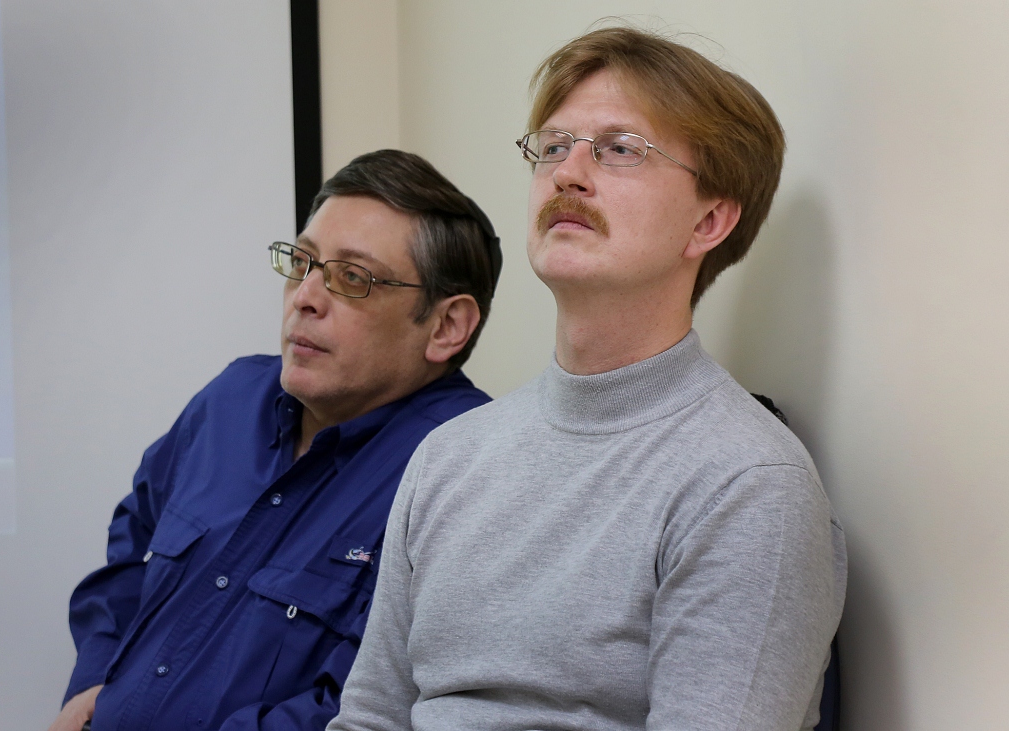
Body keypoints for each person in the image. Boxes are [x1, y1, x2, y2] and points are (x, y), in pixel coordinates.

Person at [327, 27, 847, 731]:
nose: (567, 173)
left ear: (710, 220)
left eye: (620, 148)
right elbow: (369, 718)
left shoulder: (750, 485)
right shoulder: (447, 457)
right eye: (552, 146)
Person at [50, 149, 503, 731]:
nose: (305, 296)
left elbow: (368, 704)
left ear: (445, 326)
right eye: (302, 263)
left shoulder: (466, 467)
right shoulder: (232, 398)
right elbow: (131, 547)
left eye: (352, 278)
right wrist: (93, 678)